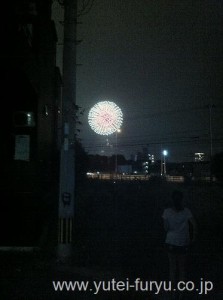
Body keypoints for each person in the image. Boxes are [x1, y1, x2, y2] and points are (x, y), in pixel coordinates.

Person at [162, 190, 197, 299]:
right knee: (182, 269)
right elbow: (194, 225)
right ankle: (181, 294)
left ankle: (172, 293)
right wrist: (193, 238)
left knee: (172, 269)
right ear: (181, 199)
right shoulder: (186, 212)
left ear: (172, 199)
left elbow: (166, 228)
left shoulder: (167, 212)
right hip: (183, 242)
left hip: (171, 242)